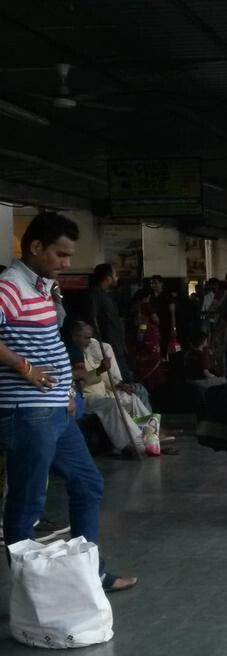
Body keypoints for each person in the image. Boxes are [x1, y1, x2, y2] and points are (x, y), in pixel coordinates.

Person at [0, 212, 135, 591]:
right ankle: (30, 592)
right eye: (60, 254)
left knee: (88, 482)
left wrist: (69, 392)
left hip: (56, 409)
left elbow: (52, 344)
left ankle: (89, 572)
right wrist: (25, 368)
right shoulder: (9, 287)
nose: (66, 263)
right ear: (36, 247)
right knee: (27, 502)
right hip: (27, 411)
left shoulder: (43, 289)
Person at [70, 321, 155, 457]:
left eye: (90, 337)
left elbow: (102, 377)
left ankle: (151, 436)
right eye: (86, 337)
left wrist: (117, 383)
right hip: (86, 397)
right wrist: (99, 370)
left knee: (131, 398)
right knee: (111, 405)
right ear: (75, 337)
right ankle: (135, 444)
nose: (89, 341)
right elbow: (81, 381)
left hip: (103, 393)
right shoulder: (72, 354)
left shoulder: (90, 352)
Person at [87, 263, 130, 380]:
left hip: (117, 345)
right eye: (115, 275)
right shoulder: (95, 294)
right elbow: (93, 319)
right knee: (123, 381)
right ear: (107, 277)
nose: (117, 278)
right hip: (109, 347)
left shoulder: (107, 295)